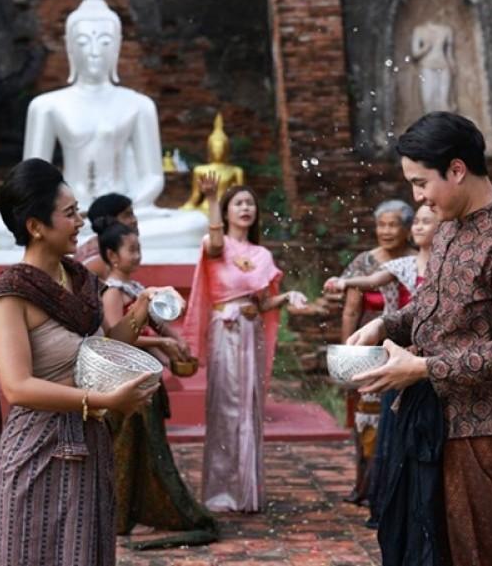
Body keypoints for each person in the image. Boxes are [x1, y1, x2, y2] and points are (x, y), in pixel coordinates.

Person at [349, 111, 492, 566]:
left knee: (486, 555)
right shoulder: (448, 230)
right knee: (431, 550)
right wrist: (385, 325)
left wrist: (423, 368)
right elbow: (435, 309)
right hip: (434, 423)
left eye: (421, 182)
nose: (418, 197)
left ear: (458, 169)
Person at [0, 158, 165, 566]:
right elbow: (17, 387)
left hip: (89, 444)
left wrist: (140, 311)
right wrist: (105, 402)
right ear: (36, 226)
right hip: (37, 450)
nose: (81, 222)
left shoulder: (79, 280)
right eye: (70, 213)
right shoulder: (11, 295)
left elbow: (103, 347)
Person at [324, 205, 445, 560]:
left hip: (431, 363)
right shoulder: (402, 266)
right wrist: (346, 283)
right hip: (394, 357)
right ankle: (381, 498)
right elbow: (369, 284)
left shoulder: (446, 264)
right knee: (382, 430)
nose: (419, 227)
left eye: (426, 221)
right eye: (418, 221)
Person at [182, 175, 307, 512]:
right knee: (224, 406)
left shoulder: (262, 254)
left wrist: (286, 298)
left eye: (250, 203)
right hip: (225, 330)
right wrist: (211, 200)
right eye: (238, 203)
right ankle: (220, 493)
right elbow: (216, 246)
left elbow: (264, 302)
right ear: (226, 211)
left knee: (248, 408)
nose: (246, 208)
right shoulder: (215, 245)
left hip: (251, 333)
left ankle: (246, 492)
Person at [97, 222, 218, 548]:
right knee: (125, 450)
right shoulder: (111, 292)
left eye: (139, 248)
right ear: (111, 255)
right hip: (125, 380)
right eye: (131, 249)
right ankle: (118, 514)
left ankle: (134, 510)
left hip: (145, 377)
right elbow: (115, 339)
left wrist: (177, 342)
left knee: (147, 449)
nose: (137, 255)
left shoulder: (136, 288)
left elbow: (158, 323)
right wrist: (162, 342)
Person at [323, 199, 416, 511]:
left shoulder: (418, 262)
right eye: (381, 225)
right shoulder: (365, 262)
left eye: (393, 225)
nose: (386, 231)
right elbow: (351, 310)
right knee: (366, 421)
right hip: (368, 348)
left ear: (407, 229)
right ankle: (366, 484)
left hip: (406, 350)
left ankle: (395, 485)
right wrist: (347, 354)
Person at [74, 192, 138, 278]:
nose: (134, 220)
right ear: (109, 222)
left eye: (132, 214)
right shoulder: (100, 260)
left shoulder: (102, 246)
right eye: (127, 215)